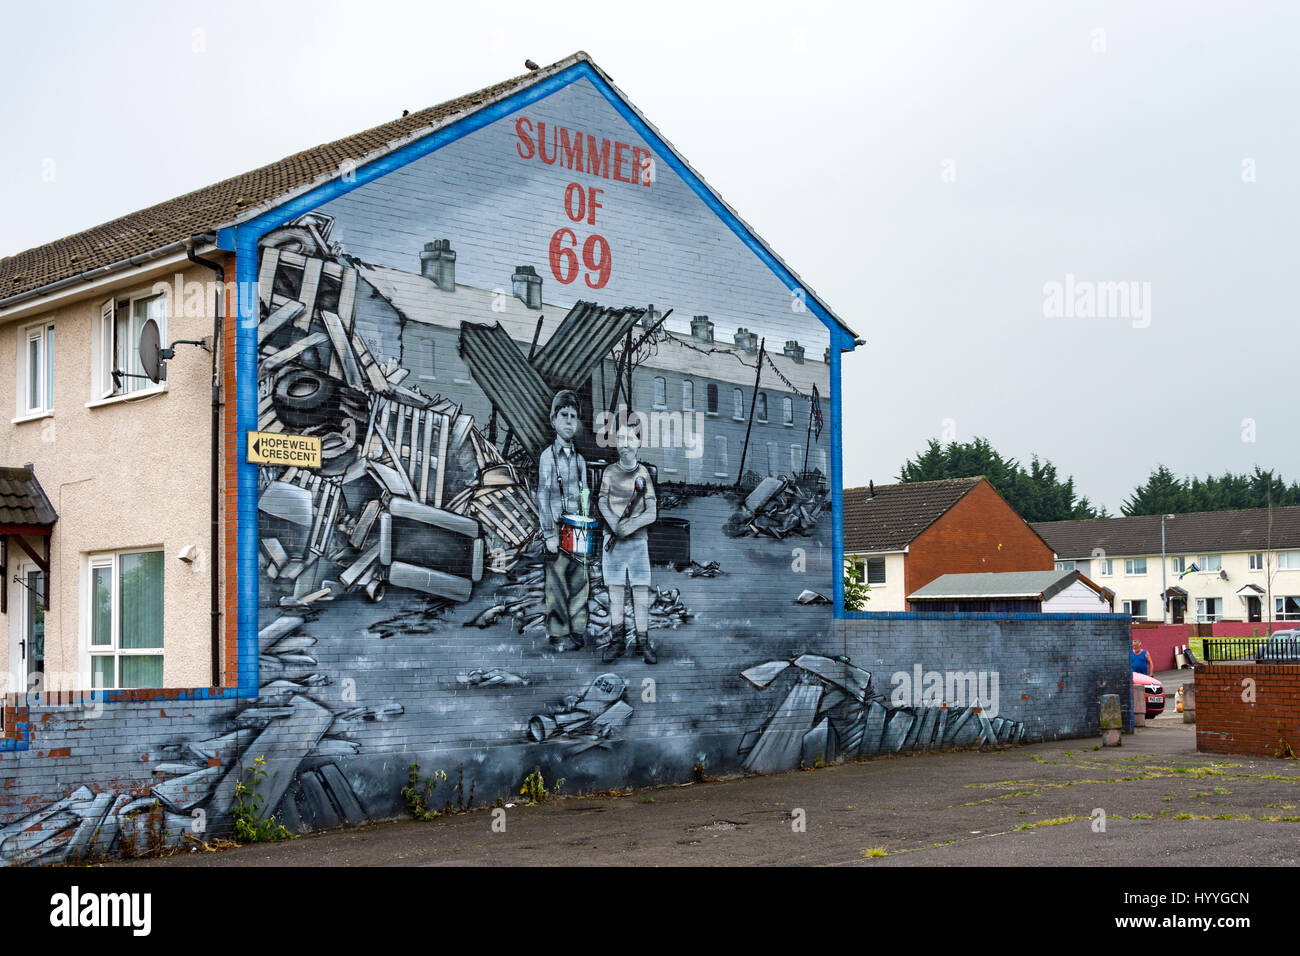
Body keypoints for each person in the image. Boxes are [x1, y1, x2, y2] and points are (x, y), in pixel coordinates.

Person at [598, 422, 658, 664]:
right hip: (612, 543)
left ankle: (643, 643)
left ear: (639, 443)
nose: (624, 444)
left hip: (637, 544)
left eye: (630, 439)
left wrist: (631, 525)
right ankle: (617, 641)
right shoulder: (609, 473)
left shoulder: (643, 474)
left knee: (640, 594)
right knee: (616, 594)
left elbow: (652, 511)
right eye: (620, 438)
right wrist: (614, 524)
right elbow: (602, 502)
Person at [537, 390, 589, 652]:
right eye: (564, 416)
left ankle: (578, 627)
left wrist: (587, 523)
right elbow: (543, 495)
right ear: (553, 420)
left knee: (580, 579)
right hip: (558, 526)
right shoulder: (548, 457)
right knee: (556, 580)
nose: (569, 421)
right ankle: (558, 631)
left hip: (578, 526)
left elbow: (585, 494)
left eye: (573, 417)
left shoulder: (580, 460)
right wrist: (548, 533)